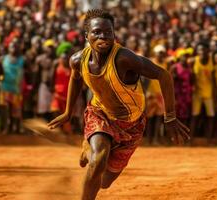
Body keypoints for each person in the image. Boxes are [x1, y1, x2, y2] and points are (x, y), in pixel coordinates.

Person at [48, 9, 190, 200]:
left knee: (104, 182)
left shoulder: (125, 58)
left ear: (114, 34)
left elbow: (163, 75)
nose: (103, 36)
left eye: (108, 32)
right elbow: (75, 78)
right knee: (98, 161)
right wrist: (67, 112)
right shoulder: (77, 60)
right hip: (100, 113)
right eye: (97, 32)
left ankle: (88, 150)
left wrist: (170, 116)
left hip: (132, 123)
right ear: (86, 35)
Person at [190, 42, 215, 143]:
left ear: (208, 51)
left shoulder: (211, 61)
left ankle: (209, 139)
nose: (202, 52)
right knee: (195, 116)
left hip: (209, 93)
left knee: (211, 117)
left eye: (204, 50)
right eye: (200, 50)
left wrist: (214, 94)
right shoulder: (194, 61)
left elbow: (213, 79)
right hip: (197, 94)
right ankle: (190, 138)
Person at [0, 41, 24, 133]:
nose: (13, 48)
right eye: (11, 46)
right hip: (5, 88)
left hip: (16, 89)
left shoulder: (22, 60)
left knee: (15, 111)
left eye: (15, 46)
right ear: (8, 48)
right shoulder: (2, 59)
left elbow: (30, 72)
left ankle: (15, 128)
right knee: (6, 109)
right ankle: (7, 127)